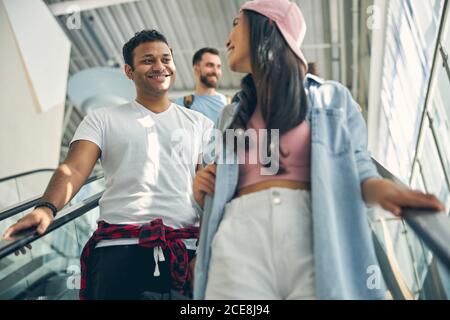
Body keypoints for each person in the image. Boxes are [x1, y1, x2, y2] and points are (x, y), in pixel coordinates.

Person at [192, 0, 446, 300]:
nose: (226, 39)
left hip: (317, 232)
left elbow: (359, 167)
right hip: (237, 237)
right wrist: (199, 193)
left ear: (269, 25)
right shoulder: (231, 114)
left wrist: (385, 191)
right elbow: (210, 193)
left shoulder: (330, 98)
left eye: (236, 23)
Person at [3, 30, 213, 300]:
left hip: (184, 254)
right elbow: (75, 169)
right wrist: (45, 208)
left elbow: (210, 190)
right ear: (129, 70)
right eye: (148, 60)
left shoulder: (200, 125)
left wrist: (207, 251)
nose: (160, 66)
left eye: (166, 59)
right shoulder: (101, 119)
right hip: (117, 250)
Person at [174, 47, 231, 123]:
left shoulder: (229, 104)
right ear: (196, 69)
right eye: (210, 65)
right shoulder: (182, 104)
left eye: (218, 67)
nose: (216, 71)